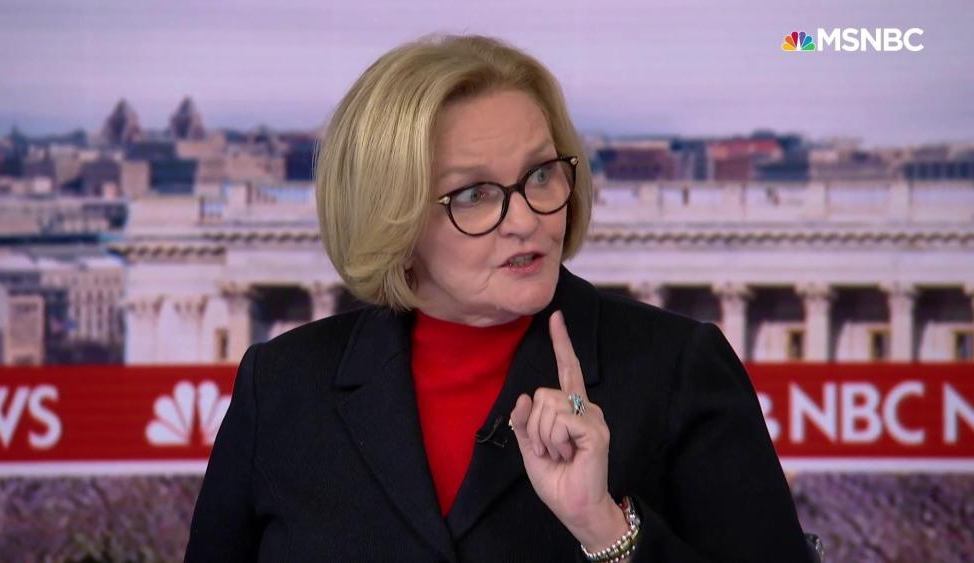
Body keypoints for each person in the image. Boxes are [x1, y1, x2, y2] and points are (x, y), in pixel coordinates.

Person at [185, 34, 815, 562]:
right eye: (474, 194)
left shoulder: (677, 368)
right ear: (391, 218)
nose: (526, 219)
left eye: (540, 175)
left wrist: (606, 528)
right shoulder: (283, 385)